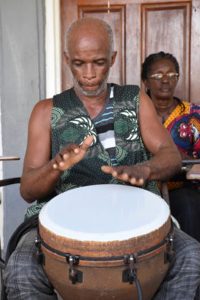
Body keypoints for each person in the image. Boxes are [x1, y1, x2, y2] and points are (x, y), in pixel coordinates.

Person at [3, 18, 200, 300]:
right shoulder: (46, 111)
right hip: (59, 223)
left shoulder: (135, 100)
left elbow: (170, 157)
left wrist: (145, 169)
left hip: (135, 215)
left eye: (99, 62)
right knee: (21, 267)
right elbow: (28, 190)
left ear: (113, 59)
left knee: (191, 256)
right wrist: (55, 167)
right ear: (67, 59)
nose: (90, 74)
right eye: (79, 64)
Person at [141, 51, 200, 241]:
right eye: (158, 76)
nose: (165, 81)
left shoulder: (194, 115)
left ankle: (192, 264)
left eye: (172, 75)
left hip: (181, 189)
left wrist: (185, 161)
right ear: (146, 82)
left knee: (189, 205)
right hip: (142, 188)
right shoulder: (133, 114)